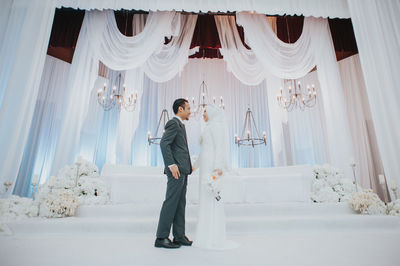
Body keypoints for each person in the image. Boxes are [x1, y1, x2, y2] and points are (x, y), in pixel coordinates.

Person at [192, 105, 239, 250]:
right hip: (205, 167)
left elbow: (220, 147)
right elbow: (204, 150)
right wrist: (194, 166)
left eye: (205, 112)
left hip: (212, 168)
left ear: (212, 112)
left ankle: (213, 237)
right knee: (205, 198)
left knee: (212, 197)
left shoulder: (216, 126)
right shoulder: (208, 127)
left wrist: (218, 167)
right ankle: (204, 236)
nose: (203, 114)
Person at [155, 98, 193, 249]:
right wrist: (171, 165)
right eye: (188, 108)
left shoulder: (180, 126)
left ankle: (179, 236)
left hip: (183, 170)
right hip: (175, 171)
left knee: (180, 204)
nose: (190, 111)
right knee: (171, 203)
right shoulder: (173, 123)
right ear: (180, 109)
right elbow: (164, 143)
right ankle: (161, 237)